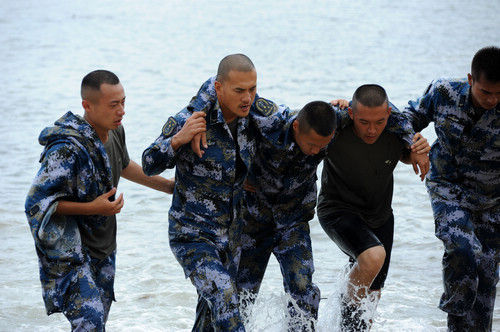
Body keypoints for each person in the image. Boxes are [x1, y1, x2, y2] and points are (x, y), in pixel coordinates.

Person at [189, 78, 430, 330]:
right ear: (295, 127)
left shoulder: (338, 122)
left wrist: (413, 142)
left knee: (304, 295)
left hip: (294, 223)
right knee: (238, 296)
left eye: (322, 146)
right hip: (254, 222)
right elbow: (220, 87)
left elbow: (384, 112)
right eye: (312, 144)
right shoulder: (275, 120)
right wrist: (197, 117)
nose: (316, 152)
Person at [25, 70, 174, 331]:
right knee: (90, 323)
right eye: (113, 105)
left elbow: (124, 165)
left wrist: (169, 187)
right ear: (87, 105)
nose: (122, 111)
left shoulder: (115, 131)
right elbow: (37, 203)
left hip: (104, 249)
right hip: (71, 252)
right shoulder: (67, 149)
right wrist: (93, 208)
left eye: (124, 102)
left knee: (97, 325)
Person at [142, 54, 275, 331]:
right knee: (226, 301)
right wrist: (179, 139)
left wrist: (342, 109)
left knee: (209, 321)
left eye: (252, 88)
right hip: (192, 236)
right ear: (218, 88)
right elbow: (149, 163)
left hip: (232, 237)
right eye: (239, 90)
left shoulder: (254, 117)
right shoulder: (190, 120)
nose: (247, 97)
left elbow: (294, 122)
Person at [317, 84, 430, 331]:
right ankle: (347, 325)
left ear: (388, 113)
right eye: (364, 122)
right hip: (337, 209)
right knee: (372, 257)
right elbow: (302, 126)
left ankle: (341, 321)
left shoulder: (397, 128)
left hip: (379, 216)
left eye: (378, 122)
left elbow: (406, 155)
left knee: (372, 295)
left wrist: (418, 150)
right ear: (352, 114)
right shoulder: (337, 124)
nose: (371, 130)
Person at [402, 46, 500, 332]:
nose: (493, 100)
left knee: (485, 274)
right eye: (485, 93)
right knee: (462, 249)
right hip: (448, 186)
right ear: (470, 80)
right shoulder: (444, 91)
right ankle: (455, 322)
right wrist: (414, 144)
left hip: (493, 199)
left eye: (498, 93)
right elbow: (405, 119)